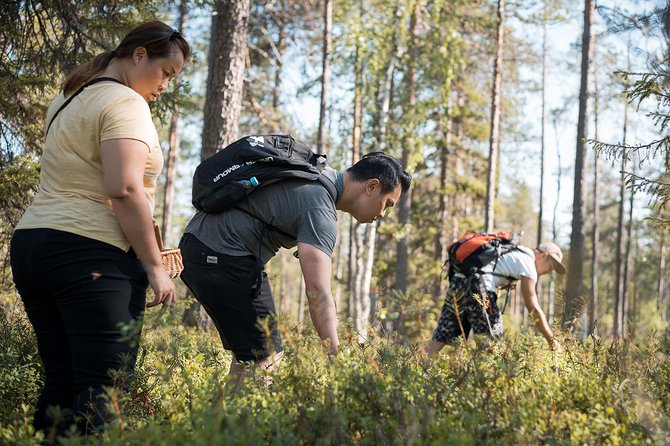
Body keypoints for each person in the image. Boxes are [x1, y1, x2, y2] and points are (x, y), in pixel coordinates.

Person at [10, 21, 191, 436]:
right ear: (140, 54)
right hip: (89, 252)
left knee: (62, 384)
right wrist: (154, 266)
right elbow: (124, 188)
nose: (166, 85)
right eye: (166, 73)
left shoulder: (69, 97)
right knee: (103, 389)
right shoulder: (125, 103)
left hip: (35, 244)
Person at [179, 151, 412, 390]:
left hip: (200, 247)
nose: (383, 214)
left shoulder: (316, 176)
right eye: (388, 204)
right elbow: (318, 293)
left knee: (250, 355)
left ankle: (217, 424)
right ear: (372, 186)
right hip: (221, 255)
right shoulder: (320, 209)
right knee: (268, 354)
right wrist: (336, 359)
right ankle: (244, 425)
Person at [424, 242, 566, 356]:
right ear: (543, 255)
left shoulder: (515, 251)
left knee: (442, 336)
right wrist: (552, 340)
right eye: (550, 267)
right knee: (492, 342)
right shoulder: (528, 262)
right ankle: (484, 387)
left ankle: (415, 369)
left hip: (459, 282)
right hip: (480, 290)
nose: (548, 271)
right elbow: (533, 307)